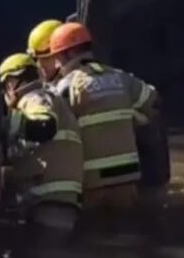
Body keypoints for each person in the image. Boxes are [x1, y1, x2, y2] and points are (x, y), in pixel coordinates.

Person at [45, 22, 164, 209]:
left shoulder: (66, 88)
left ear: (68, 54)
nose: (57, 65)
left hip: (92, 182)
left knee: (94, 234)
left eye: (57, 58)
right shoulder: (123, 78)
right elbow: (153, 102)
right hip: (128, 179)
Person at [0, 53, 84, 234]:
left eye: (4, 86)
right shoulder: (37, 100)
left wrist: (5, 123)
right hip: (49, 201)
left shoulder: (36, 97)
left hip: (52, 204)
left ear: (12, 83)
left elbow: (44, 127)